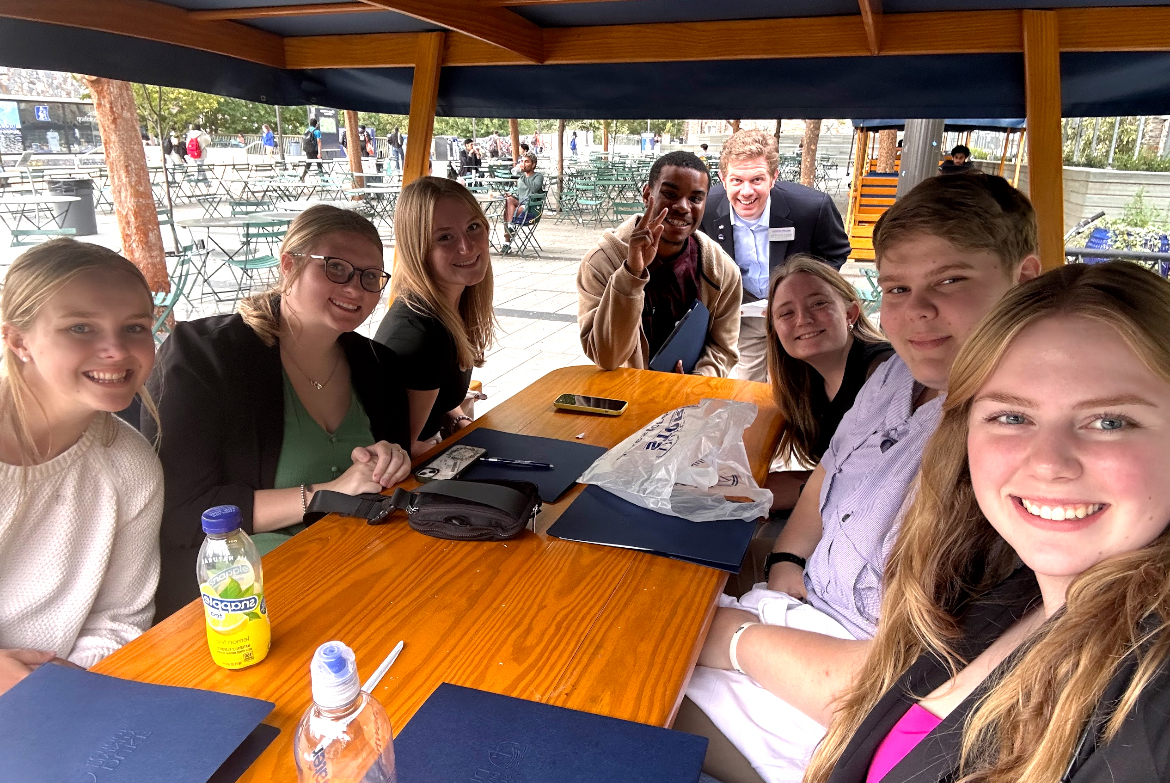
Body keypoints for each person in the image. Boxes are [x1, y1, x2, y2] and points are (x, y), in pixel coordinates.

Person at [679, 174, 1041, 783]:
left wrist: (732, 636)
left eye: (950, 280)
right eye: (897, 287)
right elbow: (829, 473)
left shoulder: (1018, 447)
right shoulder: (895, 375)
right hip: (794, 615)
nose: (918, 310)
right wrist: (786, 560)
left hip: (827, 700)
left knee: (603, 693)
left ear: (1024, 280)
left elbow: (908, 701)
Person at [806, 261, 1170, 783]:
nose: (1047, 463)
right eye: (1012, 416)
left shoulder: (1151, 703)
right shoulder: (1008, 593)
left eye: (1109, 421)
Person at [144, 206, 412, 622]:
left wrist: (391, 458)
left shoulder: (378, 365)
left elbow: (392, 470)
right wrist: (325, 492)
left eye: (370, 277)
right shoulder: (204, 357)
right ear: (289, 265)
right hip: (244, 601)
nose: (355, 288)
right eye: (336, 268)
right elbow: (181, 514)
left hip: (364, 567)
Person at [0, 239, 163, 693]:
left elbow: (120, 617)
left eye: (134, 327)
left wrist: (66, 690)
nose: (116, 349)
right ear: (18, 341)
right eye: (80, 328)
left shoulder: (130, 464)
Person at [700, 130, 853, 382]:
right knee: (746, 386)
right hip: (743, 313)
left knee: (797, 384)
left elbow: (836, 251)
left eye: (757, 180)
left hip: (798, 313)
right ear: (723, 179)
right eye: (737, 180)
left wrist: (808, 291)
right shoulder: (705, 209)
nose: (746, 191)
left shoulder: (812, 208)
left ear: (773, 178)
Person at [577, 150, 742, 377]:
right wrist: (631, 274)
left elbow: (723, 349)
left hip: (690, 393)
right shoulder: (601, 263)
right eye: (670, 194)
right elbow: (607, 356)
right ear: (647, 194)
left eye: (695, 199)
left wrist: (695, 382)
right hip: (623, 391)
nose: (683, 207)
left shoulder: (721, 270)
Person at [374, 178, 496, 456]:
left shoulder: (447, 309)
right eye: (444, 237)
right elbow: (402, 449)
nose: (467, 247)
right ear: (418, 250)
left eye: (473, 227)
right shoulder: (420, 335)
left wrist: (457, 417)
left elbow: (432, 392)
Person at [762, 256, 892, 512]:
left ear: (850, 314)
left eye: (818, 303)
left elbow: (880, 482)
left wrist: (797, 492)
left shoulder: (882, 375)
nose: (803, 319)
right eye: (786, 313)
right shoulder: (805, 381)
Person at [503, 152, 545, 251]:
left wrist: (522, 175)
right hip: (521, 205)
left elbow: (534, 188)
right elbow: (521, 196)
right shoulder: (521, 178)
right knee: (509, 200)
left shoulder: (538, 176)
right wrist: (512, 196)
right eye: (522, 161)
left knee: (507, 214)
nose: (523, 164)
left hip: (531, 209)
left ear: (533, 164)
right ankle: (510, 227)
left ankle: (507, 243)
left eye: (526, 162)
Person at [300, 117, 323, 181]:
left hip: (308, 150)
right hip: (314, 150)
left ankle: (303, 176)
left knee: (308, 164)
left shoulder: (306, 130)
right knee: (319, 164)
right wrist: (319, 153)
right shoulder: (317, 132)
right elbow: (319, 143)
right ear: (316, 124)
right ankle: (323, 179)